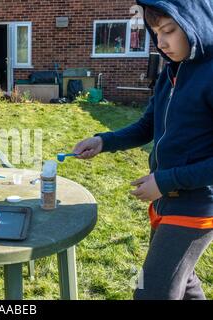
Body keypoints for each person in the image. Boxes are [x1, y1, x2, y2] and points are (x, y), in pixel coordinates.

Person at [73, 0, 213, 299]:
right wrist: (103, 141)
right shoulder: (170, 73)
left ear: (194, 22)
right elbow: (146, 126)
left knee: (150, 291)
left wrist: (164, 180)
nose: (161, 43)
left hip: (197, 205)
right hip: (165, 200)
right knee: (184, 283)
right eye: (156, 33)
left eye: (169, 31)